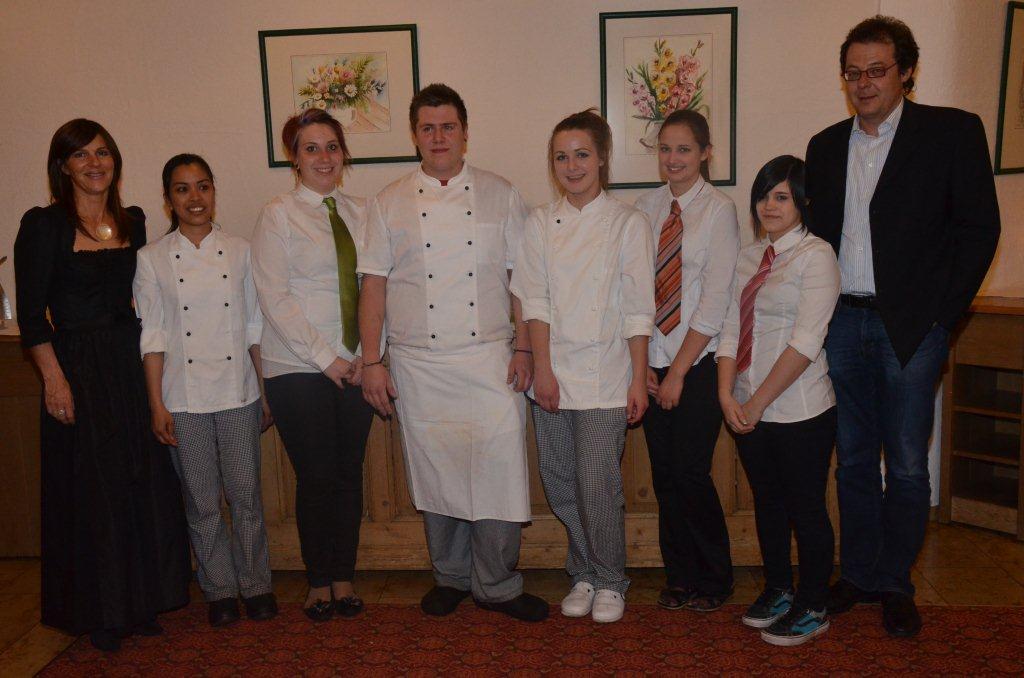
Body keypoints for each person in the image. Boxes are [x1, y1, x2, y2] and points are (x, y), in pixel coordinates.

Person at [805, 15, 1000, 637]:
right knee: (854, 460)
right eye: (853, 72)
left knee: (909, 464)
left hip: (912, 328)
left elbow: (980, 230)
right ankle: (859, 575)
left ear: (907, 72)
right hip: (842, 323)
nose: (863, 83)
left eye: (877, 70)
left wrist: (943, 317)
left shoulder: (952, 133)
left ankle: (895, 581)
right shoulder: (824, 146)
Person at [359, 83, 547, 622]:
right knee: (436, 474)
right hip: (418, 361)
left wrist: (524, 345)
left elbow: (520, 279)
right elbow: (374, 285)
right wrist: (371, 361)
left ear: (465, 132)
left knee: (498, 472)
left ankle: (498, 584)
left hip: (490, 357)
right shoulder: (388, 201)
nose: (438, 136)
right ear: (414, 135)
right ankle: (450, 575)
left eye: (448, 126)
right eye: (428, 128)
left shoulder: (501, 193)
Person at [13, 119, 191, 652]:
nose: (95, 164)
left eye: (103, 153)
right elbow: (32, 317)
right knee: (93, 491)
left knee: (140, 481)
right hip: (76, 368)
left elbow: (148, 298)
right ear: (63, 166)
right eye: (82, 155)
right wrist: (54, 382)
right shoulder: (43, 226)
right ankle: (102, 612)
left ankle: (142, 602)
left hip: (129, 365)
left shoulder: (133, 220)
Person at [511, 109, 655, 624]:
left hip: (607, 376)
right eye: (561, 157)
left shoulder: (628, 223)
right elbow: (535, 301)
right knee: (559, 480)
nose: (571, 166)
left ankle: (612, 579)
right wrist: (544, 370)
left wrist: (638, 377)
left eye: (581, 155)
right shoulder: (538, 223)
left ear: (602, 158)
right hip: (552, 372)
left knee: (597, 485)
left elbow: (638, 309)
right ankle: (584, 572)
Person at [134, 153, 277, 627]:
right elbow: (153, 336)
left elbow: (254, 326)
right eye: (182, 189)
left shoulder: (240, 250)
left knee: (246, 496)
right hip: (183, 399)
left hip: (238, 394)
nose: (194, 198)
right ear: (168, 199)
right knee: (201, 502)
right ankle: (218, 590)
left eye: (202, 186)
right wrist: (156, 404)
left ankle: (256, 585)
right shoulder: (152, 258)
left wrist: (265, 389)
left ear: (214, 191)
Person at [251, 109, 376, 622]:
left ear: (343, 154)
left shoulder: (363, 212)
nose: (324, 157)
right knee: (317, 475)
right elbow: (274, 297)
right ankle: (318, 580)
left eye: (332, 146)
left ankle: (344, 575)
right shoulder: (278, 214)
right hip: (298, 368)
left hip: (358, 366)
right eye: (311, 148)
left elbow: (377, 286)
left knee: (348, 474)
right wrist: (328, 359)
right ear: (294, 158)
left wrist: (370, 356)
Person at [717, 155, 840, 646]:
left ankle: (814, 604)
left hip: (800, 410)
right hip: (747, 405)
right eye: (764, 195)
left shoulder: (817, 256)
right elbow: (730, 328)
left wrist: (758, 402)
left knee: (805, 508)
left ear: (803, 202)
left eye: (782, 196)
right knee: (767, 503)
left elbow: (806, 342)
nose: (770, 205)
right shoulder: (749, 257)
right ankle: (779, 589)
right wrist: (727, 393)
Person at [634, 110, 739, 612]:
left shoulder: (719, 211)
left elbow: (715, 301)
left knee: (691, 471)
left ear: (704, 153)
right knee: (665, 476)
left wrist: (676, 371)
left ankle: (715, 577)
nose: (673, 159)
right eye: (665, 149)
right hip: (652, 362)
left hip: (697, 364)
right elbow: (636, 289)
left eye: (683, 149)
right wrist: (644, 368)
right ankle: (679, 576)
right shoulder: (646, 207)